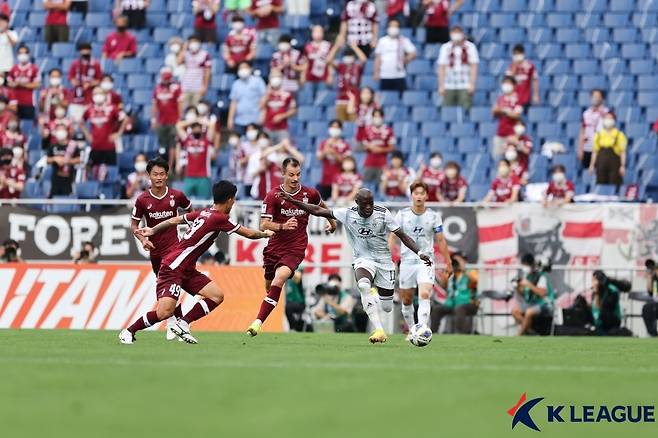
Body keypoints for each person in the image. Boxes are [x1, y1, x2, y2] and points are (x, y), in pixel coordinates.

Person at [122, 180, 273, 344]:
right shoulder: (219, 218)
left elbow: (175, 220)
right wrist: (266, 234)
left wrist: (153, 229)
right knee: (164, 312)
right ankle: (129, 332)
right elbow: (249, 234)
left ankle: (183, 324)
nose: (234, 202)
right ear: (230, 200)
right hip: (173, 267)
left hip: (186, 268)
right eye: (234, 199)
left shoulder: (205, 212)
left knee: (216, 296)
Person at [278, 188, 432, 343]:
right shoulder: (347, 213)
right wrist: (292, 201)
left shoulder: (383, 213)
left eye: (370, 204)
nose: (368, 208)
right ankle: (379, 330)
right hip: (363, 259)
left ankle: (375, 298)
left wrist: (419, 253)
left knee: (387, 307)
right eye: (364, 204)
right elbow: (317, 210)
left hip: (384, 261)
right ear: (357, 203)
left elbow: (403, 236)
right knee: (364, 285)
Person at [246, 158, 336, 336]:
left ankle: (257, 323)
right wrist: (282, 226)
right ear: (283, 174)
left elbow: (321, 206)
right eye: (291, 175)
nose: (295, 179)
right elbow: (264, 224)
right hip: (274, 247)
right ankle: (269, 302)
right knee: (269, 285)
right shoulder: (273, 195)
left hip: (296, 247)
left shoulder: (309, 193)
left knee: (279, 280)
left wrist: (332, 222)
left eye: (298, 174)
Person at [130, 157, 192, 341]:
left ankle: (176, 324)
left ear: (167, 175)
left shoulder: (177, 196)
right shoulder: (142, 200)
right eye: (155, 174)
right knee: (166, 288)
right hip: (155, 251)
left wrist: (189, 234)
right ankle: (176, 322)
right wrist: (143, 240)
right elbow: (134, 226)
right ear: (149, 176)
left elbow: (190, 213)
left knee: (174, 285)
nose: (159, 177)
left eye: (162, 174)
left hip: (174, 250)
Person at [389, 181, 452, 335]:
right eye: (416, 193)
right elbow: (392, 237)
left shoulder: (434, 216)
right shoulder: (402, 215)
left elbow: (441, 240)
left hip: (426, 261)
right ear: (412, 195)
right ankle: (412, 331)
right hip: (407, 262)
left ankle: (422, 329)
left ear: (426, 195)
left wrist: (448, 262)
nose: (419, 196)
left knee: (424, 294)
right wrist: (391, 258)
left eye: (421, 193)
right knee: (407, 300)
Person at [79, 86, 127, 178]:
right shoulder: (89, 109)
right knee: (93, 174)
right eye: (95, 93)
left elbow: (125, 119)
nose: (98, 96)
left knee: (111, 174)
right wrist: (87, 135)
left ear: (104, 95)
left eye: (100, 93)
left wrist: (118, 133)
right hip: (95, 146)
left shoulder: (112, 108)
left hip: (109, 147)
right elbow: (81, 122)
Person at [430, 252, 477, 334]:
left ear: (465, 261)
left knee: (459, 309)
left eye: (459, 261)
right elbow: (443, 285)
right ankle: (433, 333)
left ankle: (461, 334)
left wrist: (464, 269)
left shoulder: (471, 271)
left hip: (469, 303)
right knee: (437, 309)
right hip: (451, 304)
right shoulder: (451, 273)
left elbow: (475, 281)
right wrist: (447, 272)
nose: (456, 263)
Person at [512, 253, 555, 336]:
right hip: (533, 304)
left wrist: (528, 284)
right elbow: (525, 294)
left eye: (525, 265)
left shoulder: (541, 276)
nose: (524, 267)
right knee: (515, 311)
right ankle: (531, 331)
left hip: (545, 304)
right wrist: (517, 287)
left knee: (529, 312)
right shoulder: (528, 276)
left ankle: (518, 336)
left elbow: (542, 293)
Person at [437, 25, 478, 110]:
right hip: (449, 84)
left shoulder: (470, 47)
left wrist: (472, 84)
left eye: (458, 32)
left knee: (466, 108)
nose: (456, 35)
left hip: (465, 84)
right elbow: (441, 67)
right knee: (447, 110)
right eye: (454, 32)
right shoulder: (445, 47)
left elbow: (474, 66)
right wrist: (441, 85)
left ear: (462, 34)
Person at [176, 119, 216, 199]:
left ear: (201, 129)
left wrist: (200, 120)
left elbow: (212, 125)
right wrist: (193, 120)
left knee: (205, 204)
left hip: (204, 176)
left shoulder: (206, 140)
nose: (196, 130)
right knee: (185, 202)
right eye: (194, 128)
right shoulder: (187, 139)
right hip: (189, 176)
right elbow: (178, 126)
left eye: (198, 128)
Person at [152, 67, 182, 171]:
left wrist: (180, 119)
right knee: (163, 145)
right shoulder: (157, 88)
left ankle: (171, 165)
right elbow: (155, 105)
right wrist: (154, 119)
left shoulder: (176, 88)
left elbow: (180, 104)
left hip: (173, 121)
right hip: (162, 121)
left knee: (173, 144)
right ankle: (162, 165)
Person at [373, 18, 416, 92]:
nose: (393, 28)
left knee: (402, 97)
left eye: (395, 26)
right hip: (385, 75)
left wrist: (406, 59)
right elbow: (378, 58)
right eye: (391, 26)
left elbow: (413, 53)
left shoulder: (403, 40)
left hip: (399, 75)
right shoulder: (382, 41)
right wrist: (376, 72)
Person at [227, 61, 266, 135]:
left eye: (245, 67)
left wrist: (262, 114)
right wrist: (230, 119)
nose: (242, 70)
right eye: (240, 68)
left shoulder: (258, 81)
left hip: (255, 119)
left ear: (250, 69)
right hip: (239, 120)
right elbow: (233, 103)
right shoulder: (236, 84)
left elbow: (264, 99)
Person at [316, 119, 352, 199]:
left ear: (341, 129)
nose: (334, 129)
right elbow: (319, 157)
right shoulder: (324, 143)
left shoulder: (345, 145)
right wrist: (326, 149)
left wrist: (334, 153)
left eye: (337, 127)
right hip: (325, 179)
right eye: (333, 127)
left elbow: (346, 162)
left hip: (339, 180)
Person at [259, 69, 296, 144]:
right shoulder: (266, 94)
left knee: (283, 150)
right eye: (273, 77)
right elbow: (261, 106)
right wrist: (268, 93)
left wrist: (282, 116)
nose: (275, 79)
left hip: (282, 129)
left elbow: (293, 110)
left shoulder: (287, 94)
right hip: (268, 128)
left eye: (278, 76)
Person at [589, 112, 627, 186]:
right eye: (606, 118)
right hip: (601, 163)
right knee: (600, 183)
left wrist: (622, 165)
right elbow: (595, 152)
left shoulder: (619, 135)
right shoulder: (599, 134)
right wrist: (592, 165)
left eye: (610, 118)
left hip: (614, 163)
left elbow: (623, 152)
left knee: (614, 183)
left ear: (614, 120)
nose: (608, 120)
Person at [332, 43, 367, 122]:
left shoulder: (357, 67)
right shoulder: (341, 67)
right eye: (346, 55)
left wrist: (355, 47)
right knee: (340, 123)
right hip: (341, 98)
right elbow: (328, 60)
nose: (348, 57)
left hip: (353, 97)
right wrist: (336, 46)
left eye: (350, 55)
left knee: (353, 122)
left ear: (353, 57)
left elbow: (363, 59)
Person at [67, 42, 102, 122]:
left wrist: (89, 84)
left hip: (90, 99)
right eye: (83, 50)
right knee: (74, 122)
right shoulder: (75, 64)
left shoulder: (96, 64)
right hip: (76, 98)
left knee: (90, 122)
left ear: (90, 51)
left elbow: (99, 80)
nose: (85, 52)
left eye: (87, 50)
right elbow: (71, 77)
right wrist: (76, 82)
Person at [362, 108, 395, 186]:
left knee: (381, 185)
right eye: (375, 116)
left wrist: (380, 149)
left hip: (382, 163)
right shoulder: (367, 130)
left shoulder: (388, 130)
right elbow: (364, 146)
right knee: (366, 185)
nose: (377, 118)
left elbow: (392, 148)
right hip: (369, 162)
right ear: (372, 118)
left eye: (379, 116)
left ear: (383, 117)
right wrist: (369, 147)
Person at [492, 76, 522, 158]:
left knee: (511, 157)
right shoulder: (500, 98)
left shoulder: (517, 99)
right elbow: (494, 111)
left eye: (509, 83)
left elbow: (517, 115)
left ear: (514, 85)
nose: (506, 85)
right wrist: (503, 111)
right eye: (505, 83)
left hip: (512, 134)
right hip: (500, 133)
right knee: (498, 158)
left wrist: (504, 111)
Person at [578, 89, 609, 169]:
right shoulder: (586, 113)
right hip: (588, 147)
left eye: (598, 96)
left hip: (601, 148)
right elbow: (582, 131)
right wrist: (580, 149)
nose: (595, 98)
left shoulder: (607, 112)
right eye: (593, 96)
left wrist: (600, 112)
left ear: (602, 98)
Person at [7, 45, 40, 120]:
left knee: (27, 123)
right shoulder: (14, 68)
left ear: (28, 54)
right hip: (15, 102)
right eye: (20, 53)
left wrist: (23, 84)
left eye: (25, 53)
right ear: (17, 55)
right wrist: (15, 84)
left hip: (29, 102)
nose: (23, 55)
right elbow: (9, 83)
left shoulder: (34, 68)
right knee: (15, 122)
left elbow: (37, 84)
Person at [178, 35, 211, 108]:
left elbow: (207, 71)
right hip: (186, 86)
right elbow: (178, 62)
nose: (193, 44)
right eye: (191, 42)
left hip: (198, 86)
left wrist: (205, 86)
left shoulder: (204, 54)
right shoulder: (186, 54)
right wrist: (184, 48)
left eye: (195, 42)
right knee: (184, 108)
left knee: (196, 108)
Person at [47, 125, 80, 197]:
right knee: (53, 198)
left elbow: (78, 159)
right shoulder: (53, 145)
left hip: (68, 178)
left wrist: (67, 161)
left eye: (62, 130)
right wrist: (55, 159)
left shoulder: (73, 145)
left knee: (66, 199)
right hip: (56, 178)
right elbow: (47, 159)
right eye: (58, 130)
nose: (60, 132)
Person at [590, 270, 622, 335]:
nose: (593, 283)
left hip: (612, 321)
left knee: (604, 312)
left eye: (595, 280)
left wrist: (599, 293)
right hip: (598, 321)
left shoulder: (612, 290)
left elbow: (607, 306)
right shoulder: (594, 292)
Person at [234, 123, 261, 196]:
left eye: (253, 129)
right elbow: (240, 162)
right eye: (248, 130)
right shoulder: (243, 145)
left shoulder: (261, 145)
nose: (251, 131)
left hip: (260, 178)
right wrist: (248, 158)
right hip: (247, 178)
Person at [285, 266, 308, 332]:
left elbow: (298, 277)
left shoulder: (298, 278)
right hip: (290, 302)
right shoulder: (287, 278)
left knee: (288, 308)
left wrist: (290, 270)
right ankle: (292, 327)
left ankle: (293, 327)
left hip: (299, 302)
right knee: (288, 308)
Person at [641, 259, 658, 337]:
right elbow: (650, 291)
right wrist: (649, 277)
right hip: (655, 304)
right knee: (646, 308)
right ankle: (652, 333)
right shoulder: (654, 279)